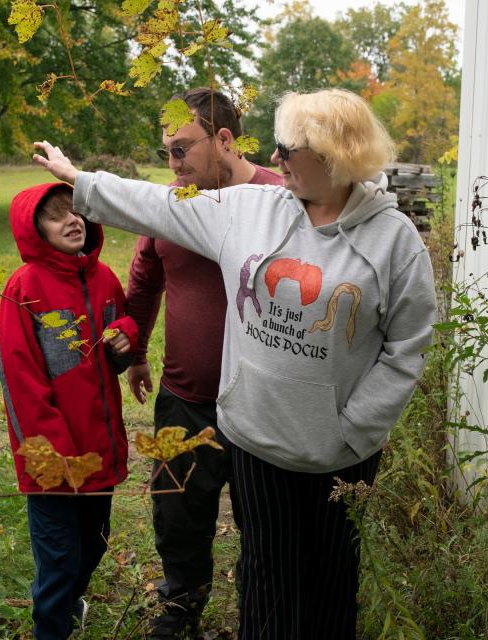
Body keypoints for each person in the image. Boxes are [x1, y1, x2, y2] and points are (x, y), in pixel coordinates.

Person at [32, 88, 437, 639]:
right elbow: (153, 205)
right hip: (258, 438)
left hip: (341, 454)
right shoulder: (252, 211)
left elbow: (406, 345)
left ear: (334, 154)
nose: (275, 159)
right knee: (267, 581)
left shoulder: (395, 241)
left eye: (288, 149)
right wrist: (79, 180)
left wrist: (354, 426)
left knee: (331, 581)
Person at [124, 87, 284, 639]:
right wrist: (138, 353)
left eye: (182, 149)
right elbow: (145, 278)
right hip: (185, 395)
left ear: (224, 139)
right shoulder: (171, 203)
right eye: (166, 151)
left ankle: (261, 610)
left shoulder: (280, 199)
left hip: (262, 399)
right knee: (178, 511)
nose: (172, 164)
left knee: (263, 520)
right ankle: (181, 606)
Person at [0, 182, 138, 640]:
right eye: (56, 215)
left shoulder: (104, 279)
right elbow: (20, 380)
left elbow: (117, 344)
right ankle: (51, 627)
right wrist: (53, 459)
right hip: (54, 462)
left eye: (75, 211)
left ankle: (70, 601)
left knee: (92, 545)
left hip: (98, 450)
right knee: (58, 558)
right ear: (33, 229)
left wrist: (125, 337)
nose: (72, 220)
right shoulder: (25, 289)